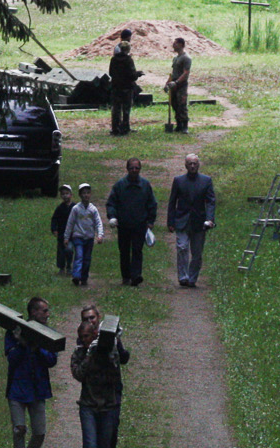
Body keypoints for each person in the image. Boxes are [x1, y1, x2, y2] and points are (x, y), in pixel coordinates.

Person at [71, 305, 129, 448]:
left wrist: (112, 347)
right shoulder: (79, 354)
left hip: (108, 406)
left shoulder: (107, 350)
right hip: (88, 405)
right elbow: (78, 375)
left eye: (89, 336)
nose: (86, 340)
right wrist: (89, 355)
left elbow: (117, 372)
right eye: (83, 337)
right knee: (90, 447)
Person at [6, 296, 57, 448]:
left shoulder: (47, 333)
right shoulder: (14, 331)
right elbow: (11, 359)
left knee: (39, 432)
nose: (47, 314)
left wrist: (37, 348)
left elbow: (52, 360)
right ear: (33, 312)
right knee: (19, 429)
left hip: (37, 389)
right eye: (44, 311)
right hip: (17, 389)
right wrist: (22, 344)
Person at [166, 152, 216, 288]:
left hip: (199, 222)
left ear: (198, 165)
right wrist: (170, 222)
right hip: (182, 220)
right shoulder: (178, 181)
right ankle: (183, 277)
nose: (193, 166)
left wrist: (210, 219)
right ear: (185, 165)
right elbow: (172, 202)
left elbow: (211, 201)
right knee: (182, 247)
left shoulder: (206, 181)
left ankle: (192, 278)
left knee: (197, 252)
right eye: (190, 164)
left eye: (195, 164)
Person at [106, 158, 158, 287]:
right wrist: (112, 216)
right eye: (131, 168)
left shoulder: (145, 185)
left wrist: (150, 221)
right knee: (124, 251)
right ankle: (126, 276)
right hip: (123, 225)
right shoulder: (120, 186)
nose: (134, 170)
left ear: (140, 169)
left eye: (137, 168)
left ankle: (136, 276)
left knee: (137, 250)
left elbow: (152, 204)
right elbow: (111, 203)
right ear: (127, 169)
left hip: (140, 225)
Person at [64, 182, 104, 286]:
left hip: (89, 238)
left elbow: (98, 222)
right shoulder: (76, 209)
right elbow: (70, 223)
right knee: (79, 256)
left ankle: (84, 277)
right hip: (78, 237)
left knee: (87, 259)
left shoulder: (93, 209)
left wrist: (100, 235)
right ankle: (76, 276)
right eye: (83, 193)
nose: (86, 195)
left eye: (88, 193)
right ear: (80, 195)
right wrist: (66, 237)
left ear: (90, 194)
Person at [108, 41, 140, 135]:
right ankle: (125, 127)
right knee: (126, 108)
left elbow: (111, 73)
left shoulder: (113, 59)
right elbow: (132, 75)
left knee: (116, 108)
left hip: (116, 86)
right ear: (128, 49)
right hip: (127, 87)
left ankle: (115, 128)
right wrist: (138, 74)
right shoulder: (128, 60)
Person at [165, 37, 192, 134]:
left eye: (175, 43)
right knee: (174, 104)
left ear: (181, 45)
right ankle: (179, 124)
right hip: (173, 84)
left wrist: (176, 82)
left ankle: (185, 126)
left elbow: (186, 73)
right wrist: (167, 83)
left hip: (181, 85)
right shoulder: (175, 58)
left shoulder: (186, 58)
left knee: (182, 104)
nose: (173, 45)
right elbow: (173, 72)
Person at [50, 184, 74, 274]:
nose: (65, 196)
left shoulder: (74, 207)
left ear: (71, 195)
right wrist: (54, 229)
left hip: (72, 234)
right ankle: (61, 267)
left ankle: (69, 266)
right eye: (63, 194)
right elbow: (54, 219)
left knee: (69, 250)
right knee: (60, 252)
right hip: (61, 234)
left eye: (67, 193)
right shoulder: (60, 208)